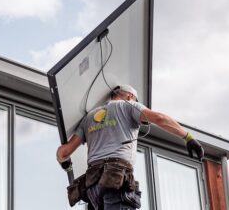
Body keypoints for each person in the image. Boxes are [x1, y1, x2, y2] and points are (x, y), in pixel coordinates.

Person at [56, 84, 204, 210]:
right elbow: (159, 118)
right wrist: (188, 137)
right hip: (115, 178)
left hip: (93, 186)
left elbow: (64, 152)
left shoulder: (89, 118)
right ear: (129, 96)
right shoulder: (128, 105)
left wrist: (66, 165)